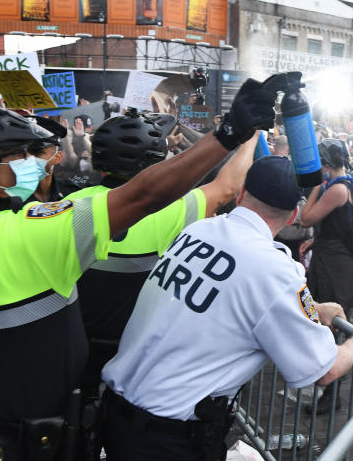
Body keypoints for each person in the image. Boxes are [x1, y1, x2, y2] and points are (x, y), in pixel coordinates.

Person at [0, 77, 277, 461]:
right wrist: (229, 134)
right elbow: (147, 194)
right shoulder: (33, 232)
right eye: (15, 158)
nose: (31, 165)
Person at [100, 156, 353, 461]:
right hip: (170, 443)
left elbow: (235, 295)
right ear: (295, 213)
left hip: (121, 420)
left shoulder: (199, 231)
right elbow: (323, 370)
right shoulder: (274, 268)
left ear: (242, 194)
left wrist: (310, 308)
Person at [76, 110, 258, 393]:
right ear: (154, 168)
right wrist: (251, 139)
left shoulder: (68, 206)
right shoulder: (174, 208)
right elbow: (228, 186)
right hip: (137, 359)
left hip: (78, 350)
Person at [300, 139, 353, 413]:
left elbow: (306, 218)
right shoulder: (348, 184)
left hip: (337, 268)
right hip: (338, 261)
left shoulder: (336, 189)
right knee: (347, 324)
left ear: (324, 163)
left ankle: (332, 396)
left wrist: (313, 188)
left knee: (333, 327)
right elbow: (338, 226)